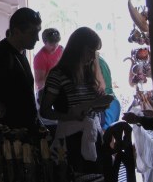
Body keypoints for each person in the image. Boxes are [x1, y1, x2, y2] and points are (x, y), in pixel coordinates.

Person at [40, 27, 113, 174]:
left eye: (95, 52)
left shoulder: (88, 73)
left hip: (93, 136)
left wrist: (99, 104)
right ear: (78, 49)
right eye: (90, 51)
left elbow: (92, 106)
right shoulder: (57, 75)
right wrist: (69, 116)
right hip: (70, 139)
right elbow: (45, 111)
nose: (93, 56)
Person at [98, 56, 121, 130]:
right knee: (111, 136)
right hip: (112, 102)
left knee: (106, 137)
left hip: (106, 104)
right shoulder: (100, 59)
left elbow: (102, 87)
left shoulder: (93, 62)